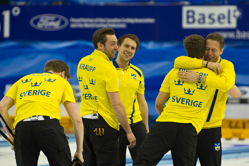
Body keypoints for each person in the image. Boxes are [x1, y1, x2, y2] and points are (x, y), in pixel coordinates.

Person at [133, 34, 218, 166]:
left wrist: (167, 117)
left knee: (142, 162)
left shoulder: (174, 72)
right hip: (188, 128)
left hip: (165, 123)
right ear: (204, 52)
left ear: (186, 50)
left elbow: (158, 103)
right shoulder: (212, 75)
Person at [0, 59, 84, 166]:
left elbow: (1, 107)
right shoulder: (62, 81)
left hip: (23, 130)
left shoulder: (22, 80)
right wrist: (79, 151)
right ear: (63, 74)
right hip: (49, 128)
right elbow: (77, 120)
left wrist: (12, 135)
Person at [174, 32, 241, 166]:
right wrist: (207, 65)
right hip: (190, 126)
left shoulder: (226, 65)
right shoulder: (197, 62)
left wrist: (200, 78)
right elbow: (178, 61)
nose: (209, 53)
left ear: (221, 51)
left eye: (214, 50)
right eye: (207, 49)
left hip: (211, 128)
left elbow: (230, 88)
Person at [77, 28, 136, 166]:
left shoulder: (83, 62)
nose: (116, 47)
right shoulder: (108, 68)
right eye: (113, 43)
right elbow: (116, 104)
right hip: (104, 123)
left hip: (85, 122)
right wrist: (128, 131)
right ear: (100, 45)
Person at [113, 34, 149, 166]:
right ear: (118, 47)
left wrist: (145, 128)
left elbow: (142, 103)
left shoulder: (138, 73)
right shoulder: (106, 70)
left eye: (133, 48)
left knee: (145, 161)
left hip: (135, 123)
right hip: (113, 125)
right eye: (126, 46)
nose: (129, 50)